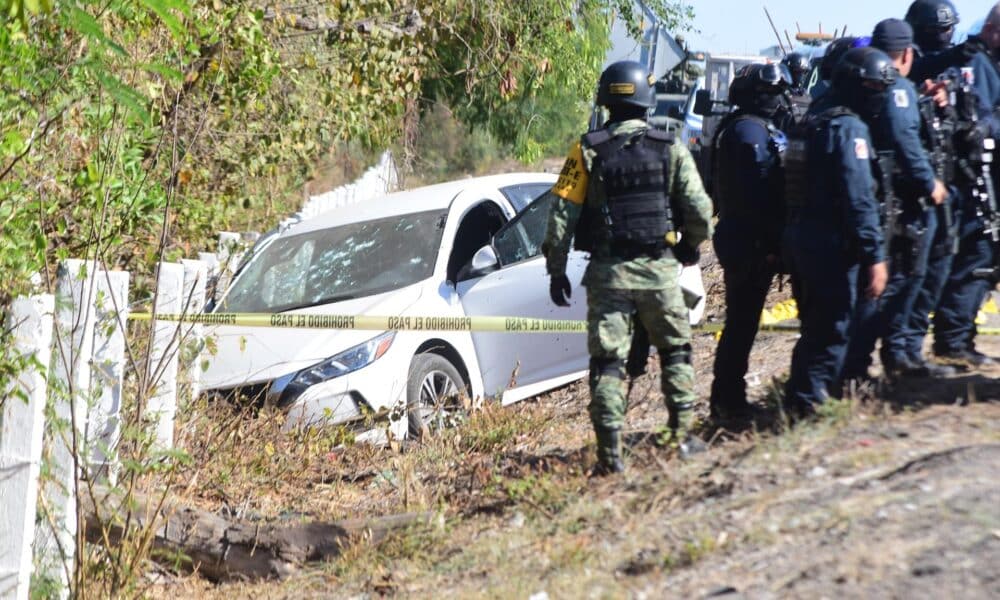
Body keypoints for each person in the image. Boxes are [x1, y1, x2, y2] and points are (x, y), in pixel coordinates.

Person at [542, 60, 713, 475]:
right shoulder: (670, 147)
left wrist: (557, 269)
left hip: (608, 276)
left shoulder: (585, 149)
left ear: (606, 101)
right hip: (658, 271)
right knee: (675, 351)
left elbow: (560, 216)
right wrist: (689, 246)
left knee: (607, 364)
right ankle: (682, 435)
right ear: (646, 100)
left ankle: (610, 457)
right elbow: (701, 212)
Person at [841, 19, 953, 383]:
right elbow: (905, 140)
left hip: (876, 196)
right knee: (909, 276)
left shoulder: (863, 81)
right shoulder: (897, 87)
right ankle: (899, 353)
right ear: (906, 54)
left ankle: (880, 357)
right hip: (903, 197)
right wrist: (930, 184)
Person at [783, 47, 892, 416]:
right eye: (876, 86)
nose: (881, 94)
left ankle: (800, 401)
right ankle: (809, 408)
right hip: (830, 244)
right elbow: (859, 198)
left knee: (815, 328)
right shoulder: (849, 129)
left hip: (804, 239)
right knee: (831, 329)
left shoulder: (814, 117)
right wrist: (875, 256)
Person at [906, 0, 1000, 369]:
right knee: (972, 258)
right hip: (967, 178)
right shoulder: (974, 64)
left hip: (984, 176)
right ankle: (953, 339)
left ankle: (958, 338)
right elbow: (974, 120)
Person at [708, 64, 790, 423]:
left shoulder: (754, 128)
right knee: (741, 325)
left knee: (744, 324)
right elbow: (757, 195)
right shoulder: (747, 132)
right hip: (748, 241)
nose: (776, 99)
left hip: (753, 238)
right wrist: (769, 242)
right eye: (769, 93)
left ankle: (730, 400)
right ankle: (728, 403)